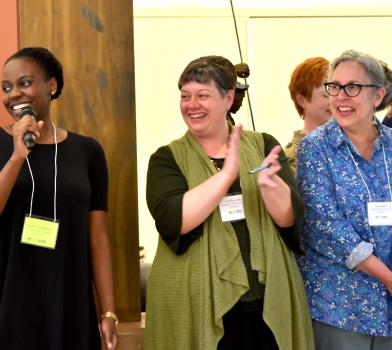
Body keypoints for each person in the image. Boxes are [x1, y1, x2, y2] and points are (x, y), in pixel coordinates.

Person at [144, 55, 313, 349]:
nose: (191, 104)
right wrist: (226, 176)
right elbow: (174, 219)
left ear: (228, 97)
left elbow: (290, 220)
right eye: (185, 96)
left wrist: (271, 189)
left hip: (265, 300)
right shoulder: (166, 158)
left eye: (203, 95)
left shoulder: (263, 144)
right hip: (196, 303)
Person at [0, 47, 118, 350]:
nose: (14, 94)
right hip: (6, 296)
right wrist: (17, 158)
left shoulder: (88, 152)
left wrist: (108, 310)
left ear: (52, 85)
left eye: (24, 83)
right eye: (6, 88)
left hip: (67, 294)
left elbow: (97, 237)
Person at [297, 50, 392, 349]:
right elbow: (326, 227)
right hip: (340, 305)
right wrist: (387, 276)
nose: (340, 97)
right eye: (334, 87)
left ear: (378, 96)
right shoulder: (315, 148)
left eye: (353, 87)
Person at [285, 57, 332, 170]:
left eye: (336, 92)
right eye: (326, 95)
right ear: (302, 100)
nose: (334, 101)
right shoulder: (296, 156)